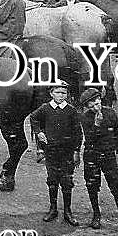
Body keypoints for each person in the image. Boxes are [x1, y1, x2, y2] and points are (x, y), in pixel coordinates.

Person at [78, 88, 118, 232]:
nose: (96, 106)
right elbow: (89, 139)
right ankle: (96, 215)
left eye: (97, 102)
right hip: (92, 155)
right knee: (92, 184)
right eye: (91, 105)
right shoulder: (85, 118)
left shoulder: (110, 113)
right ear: (87, 106)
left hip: (108, 155)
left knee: (117, 185)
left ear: (100, 99)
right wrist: (96, 125)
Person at [31, 83, 83, 225]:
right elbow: (33, 118)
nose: (61, 96)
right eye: (58, 93)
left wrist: (76, 151)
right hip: (51, 151)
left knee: (67, 182)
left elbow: (78, 133)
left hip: (67, 152)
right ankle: (53, 209)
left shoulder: (71, 110)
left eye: (64, 93)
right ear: (51, 94)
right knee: (52, 180)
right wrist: (39, 132)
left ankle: (67, 211)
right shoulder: (45, 109)